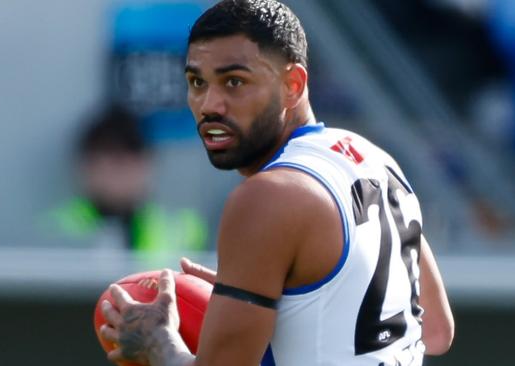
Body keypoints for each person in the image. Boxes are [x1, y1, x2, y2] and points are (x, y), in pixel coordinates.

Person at [99, 1, 454, 365]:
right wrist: (288, 301)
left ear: (293, 84)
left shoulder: (266, 198)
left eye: (234, 82)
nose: (209, 104)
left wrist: (157, 344)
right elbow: (437, 331)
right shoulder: (375, 159)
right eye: (197, 82)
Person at [46, 105, 208, 257]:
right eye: (114, 158)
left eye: (135, 155)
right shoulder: (56, 229)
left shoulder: (184, 228)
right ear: (86, 165)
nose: (125, 170)